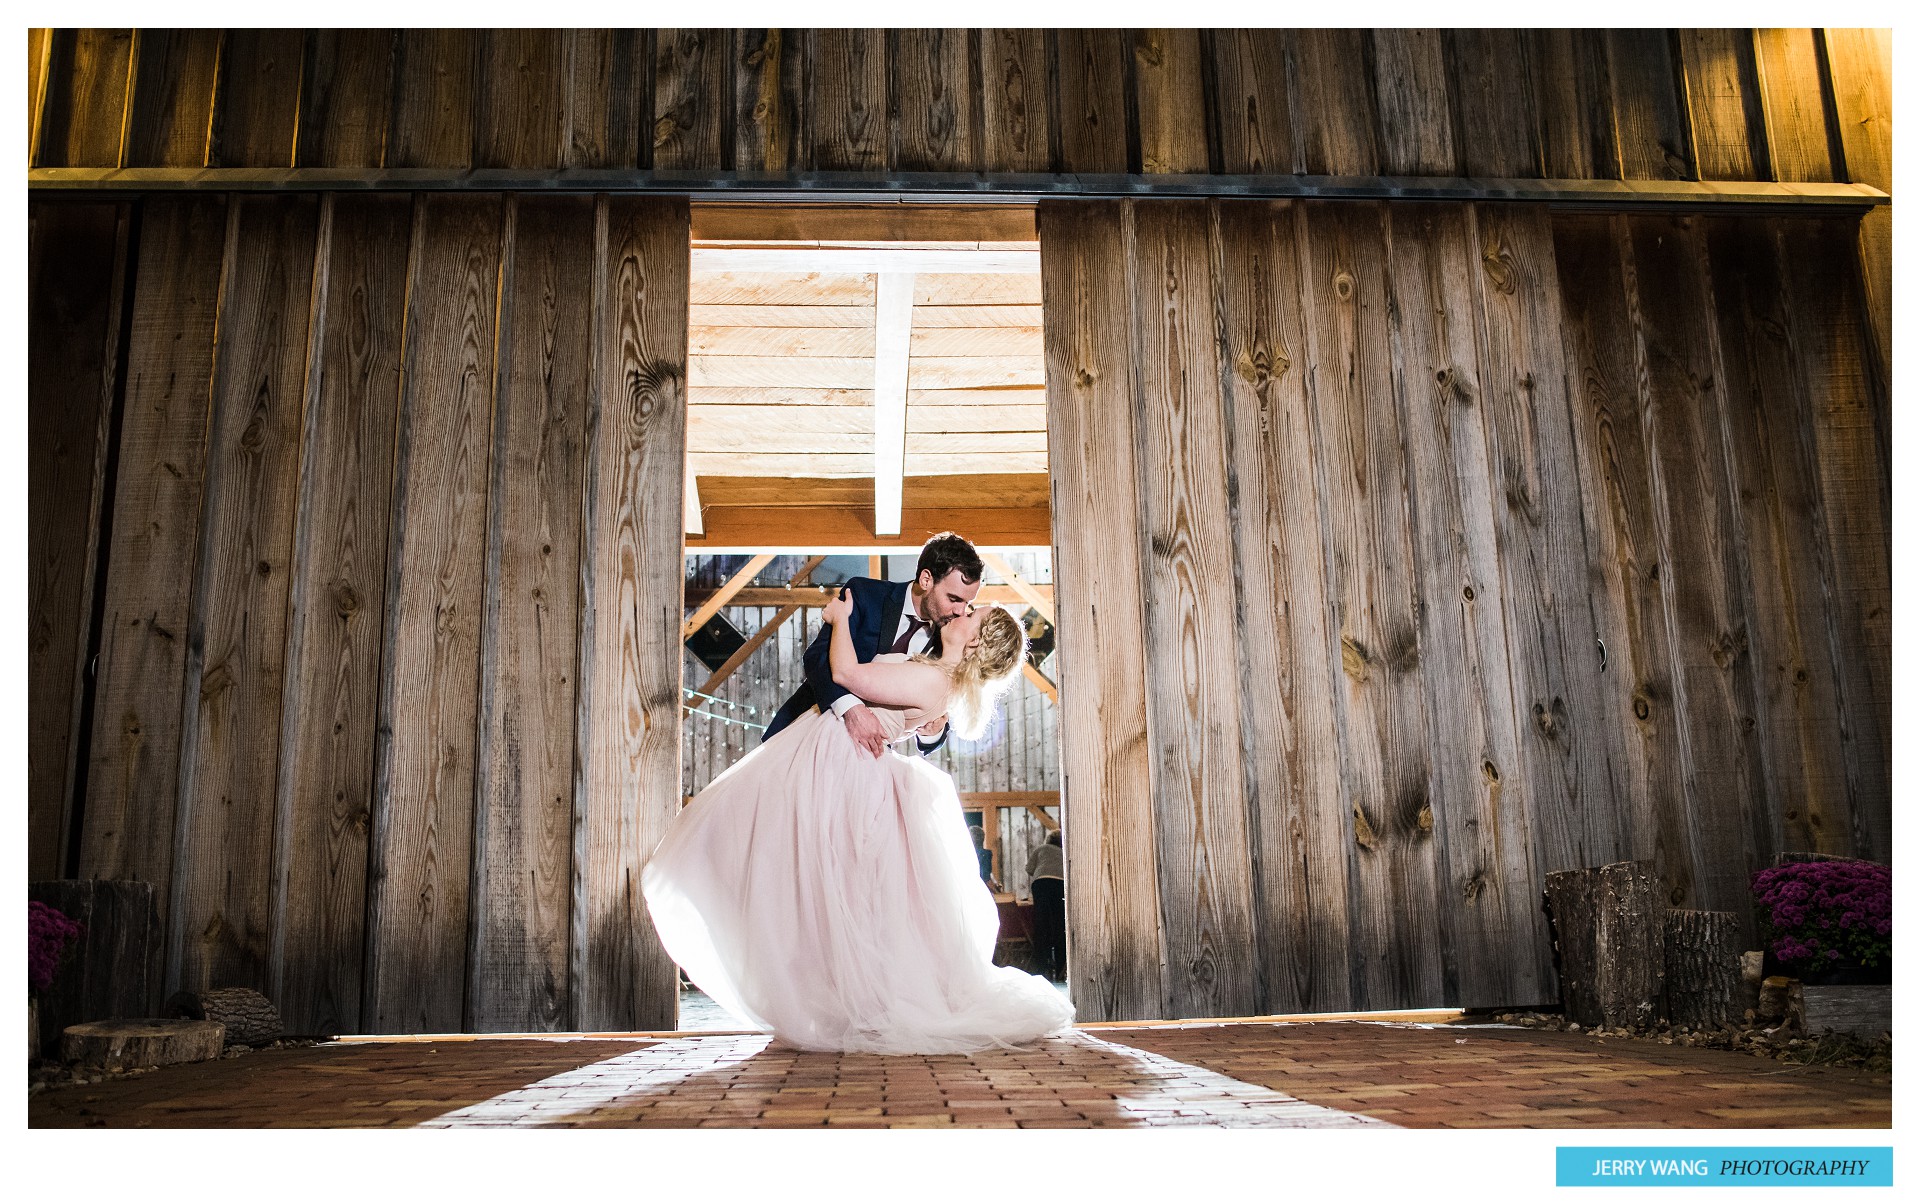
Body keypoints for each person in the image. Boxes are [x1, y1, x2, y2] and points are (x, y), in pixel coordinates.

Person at [641, 579, 1074, 1055]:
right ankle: (825, 994)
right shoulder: (939, 679)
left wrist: (840, 620)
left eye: (973, 615)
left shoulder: (934, 679)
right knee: (825, 887)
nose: (963, 612)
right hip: (843, 758)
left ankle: (826, 996)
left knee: (781, 864)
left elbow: (845, 673)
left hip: (839, 766)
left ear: (974, 640)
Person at [761, 533, 984, 758]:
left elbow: (933, 713)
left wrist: (932, 733)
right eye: (954, 599)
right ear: (926, 580)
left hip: (866, 757)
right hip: (806, 732)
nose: (961, 611)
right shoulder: (866, 594)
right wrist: (851, 709)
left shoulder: (948, 639)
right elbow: (817, 657)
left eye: (968, 603)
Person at [1026, 831, 1066, 981]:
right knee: (1059, 925)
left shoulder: (1041, 849)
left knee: (1041, 924)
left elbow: (1029, 869)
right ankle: (1062, 968)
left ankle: (1041, 969)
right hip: (1060, 884)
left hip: (1041, 883)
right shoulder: (1063, 852)